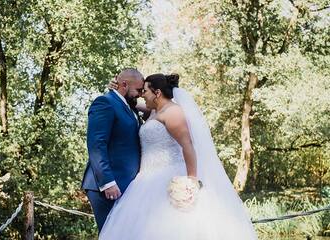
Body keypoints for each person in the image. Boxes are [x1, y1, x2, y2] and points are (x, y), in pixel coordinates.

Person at [99, 73, 257, 239]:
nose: (141, 95)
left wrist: (191, 181)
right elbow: (129, 105)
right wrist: (118, 91)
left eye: (145, 91)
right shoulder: (154, 111)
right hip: (146, 179)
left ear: (157, 93)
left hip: (167, 177)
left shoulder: (172, 112)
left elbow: (187, 146)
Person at [81, 68, 144, 232]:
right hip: (107, 186)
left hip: (126, 184)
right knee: (112, 234)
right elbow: (96, 144)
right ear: (124, 84)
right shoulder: (105, 102)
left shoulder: (129, 107)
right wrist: (107, 182)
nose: (140, 94)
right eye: (138, 90)